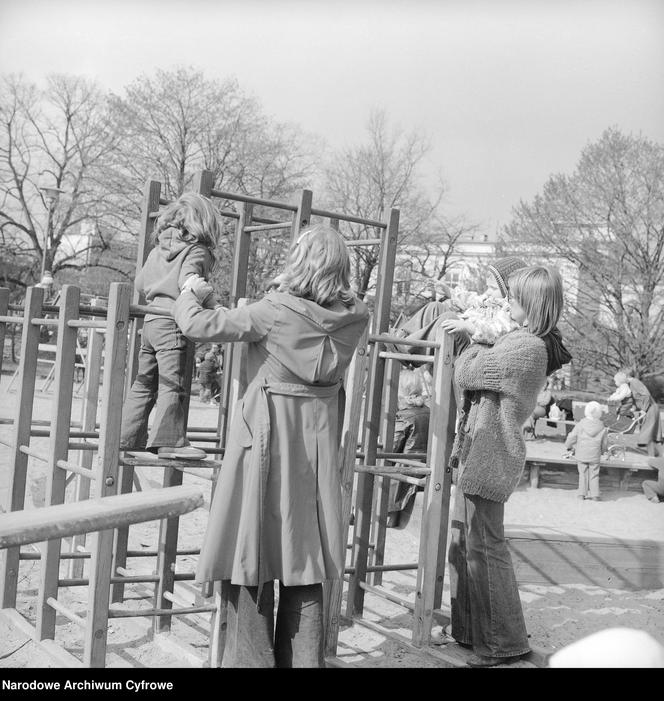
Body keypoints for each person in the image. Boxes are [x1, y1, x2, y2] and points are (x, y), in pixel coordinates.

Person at [173, 224, 370, 668]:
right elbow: (344, 305)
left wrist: (190, 291)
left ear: (302, 261)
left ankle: (250, 662)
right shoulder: (357, 318)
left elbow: (197, 325)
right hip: (315, 449)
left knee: (250, 551)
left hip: (264, 440)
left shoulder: (275, 311)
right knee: (306, 560)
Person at [447, 265, 564, 667]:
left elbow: (467, 371)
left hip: (492, 455)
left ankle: (502, 645)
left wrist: (471, 337)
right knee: (465, 546)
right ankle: (469, 632)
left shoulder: (527, 348)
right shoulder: (517, 341)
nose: (505, 303)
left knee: (485, 550)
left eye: (512, 299)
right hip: (481, 452)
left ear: (529, 307)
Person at [119, 192, 221, 460]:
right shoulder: (196, 250)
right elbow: (190, 283)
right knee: (173, 384)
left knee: (144, 382)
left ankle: (125, 438)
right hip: (174, 323)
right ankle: (169, 442)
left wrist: (159, 283)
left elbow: (140, 284)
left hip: (150, 321)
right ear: (206, 224)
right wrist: (214, 305)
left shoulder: (159, 249)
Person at [386, 368, 431, 529]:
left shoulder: (404, 416)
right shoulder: (429, 412)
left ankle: (358, 511)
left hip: (402, 475)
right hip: (422, 469)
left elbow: (390, 448)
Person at [608, 369, 662, 456]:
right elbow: (635, 399)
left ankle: (656, 457)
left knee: (648, 436)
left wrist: (643, 409)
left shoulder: (635, 382)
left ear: (626, 376)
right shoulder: (628, 385)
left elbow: (646, 395)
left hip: (650, 409)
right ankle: (655, 456)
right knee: (649, 436)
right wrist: (633, 408)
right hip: (647, 409)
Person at [564, 400, 609, 501]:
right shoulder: (602, 428)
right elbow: (604, 443)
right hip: (595, 456)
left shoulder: (580, 424)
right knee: (594, 474)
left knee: (582, 473)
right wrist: (602, 451)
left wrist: (568, 445)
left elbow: (572, 436)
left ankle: (581, 494)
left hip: (581, 454)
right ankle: (595, 495)